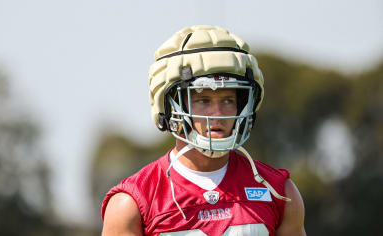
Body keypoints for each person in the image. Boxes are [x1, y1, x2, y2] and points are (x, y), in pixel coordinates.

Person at [101, 25, 306, 236]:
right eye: (203, 100)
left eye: (228, 100)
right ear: (171, 105)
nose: (217, 113)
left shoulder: (279, 193)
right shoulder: (132, 204)